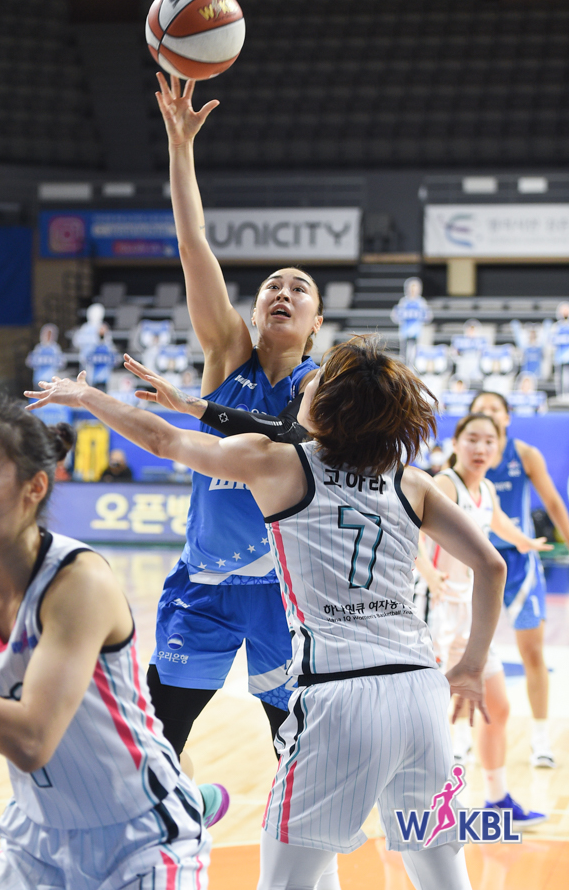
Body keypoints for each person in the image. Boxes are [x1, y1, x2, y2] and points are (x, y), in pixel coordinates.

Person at [26, 335, 507, 890]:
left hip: (339, 696)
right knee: (443, 873)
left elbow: (161, 439)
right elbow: (491, 566)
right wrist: (472, 665)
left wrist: (86, 396)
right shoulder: (412, 481)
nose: (305, 386)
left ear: (327, 406)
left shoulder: (281, 464)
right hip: (421, 693)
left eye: (316, 382)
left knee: (284, 880)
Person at [133, 73, 323, 760]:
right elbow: (194, 247)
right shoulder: (226, 353)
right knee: (158, 741)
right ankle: (178, 816)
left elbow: (294, 437)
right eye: (273, 284)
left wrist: (197, 409)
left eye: (300, 288)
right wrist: (180, 148)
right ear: (256, 307)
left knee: (293, 752)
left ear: (316, 321)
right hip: (203, 586)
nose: (283, 291)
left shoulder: (321, 382)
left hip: (282, 590)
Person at [0, 396, 211, 890]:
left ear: (35, 487)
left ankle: (185, 792)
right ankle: (192, 787)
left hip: (142, 838)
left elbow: (31, 743)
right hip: (35, 840)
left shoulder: (79, 582)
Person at [416, 413, 549, 827]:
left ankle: (496, 798)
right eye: (472, 439)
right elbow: (412, 532)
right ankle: (419, 802)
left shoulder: (486, 488)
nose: (480, 448)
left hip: (472, 614)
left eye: (489, 441)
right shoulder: (444, 484)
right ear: (456, 443)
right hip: (437, 612)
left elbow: (497, 521)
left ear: (499, 448)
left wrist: (522, 541)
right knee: (431, 713)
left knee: (497, 706)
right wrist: (428, 572)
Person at [470, 390, 569, 767]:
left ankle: (540, 739)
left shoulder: (524, 454)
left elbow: (554, 503)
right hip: (478, 562)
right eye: (480, 409)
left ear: (507, 417)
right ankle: (463, 739)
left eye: (494, 409)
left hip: (520, 564)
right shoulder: (462, 458)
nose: (488, 414)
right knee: (470, 653)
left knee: (532, 652)